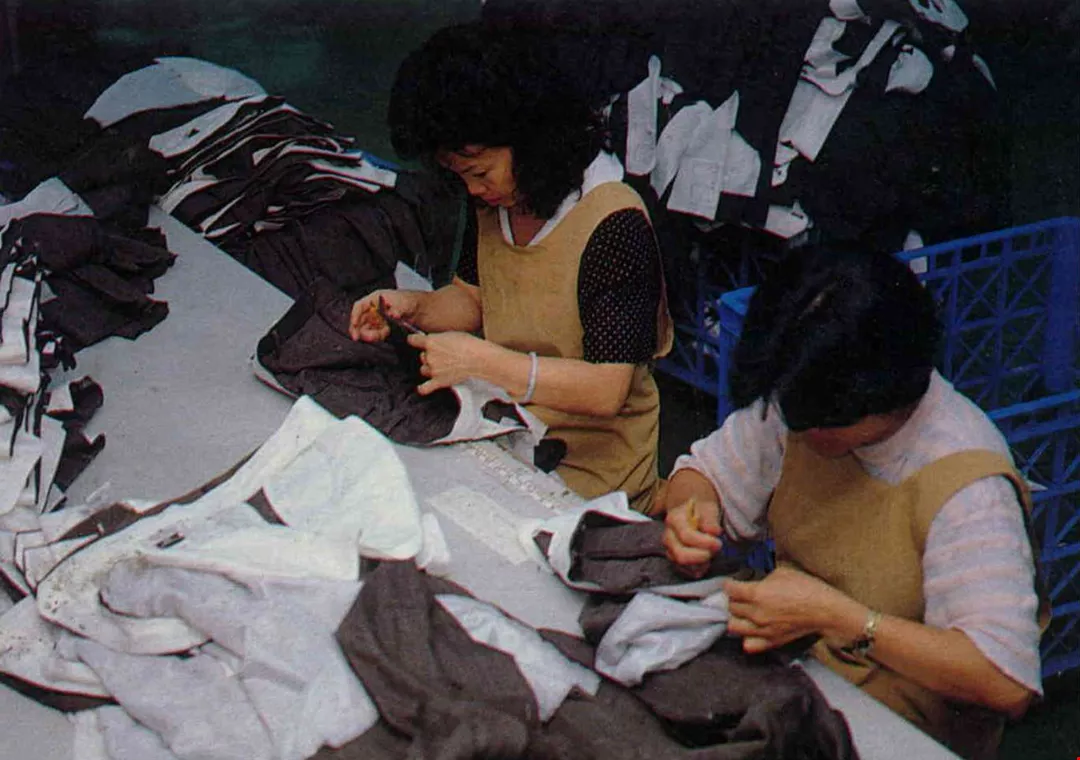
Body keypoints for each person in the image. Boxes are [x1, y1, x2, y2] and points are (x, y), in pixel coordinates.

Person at [658, 244, 1044, 760]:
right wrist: (693, 511)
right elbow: (702, 474)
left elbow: (1005, 681)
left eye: (815, 426)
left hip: (899, 730)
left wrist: (842, 620)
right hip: (799, 678)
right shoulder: (802, 399)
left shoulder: (968, 486)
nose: (797, 433)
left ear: (877, 401)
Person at [350, 23, 673, 513]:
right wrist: (411, 307)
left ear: (531, 139)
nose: (473, 189)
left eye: (479, 172)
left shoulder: (612, 223)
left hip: (594, 477)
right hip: (513, 433)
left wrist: (481, 362)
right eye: (460, 176)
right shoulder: (494, 199)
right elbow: (474, 299)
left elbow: (607, 388)